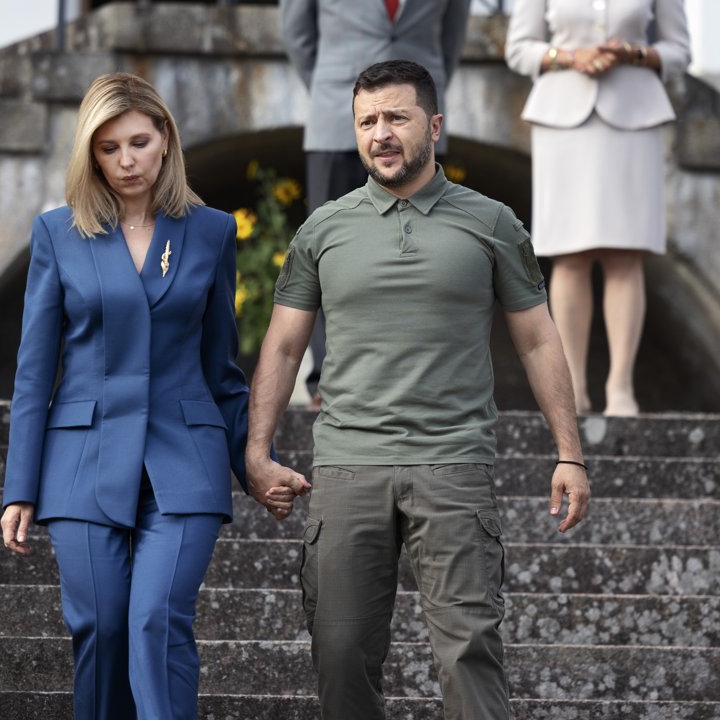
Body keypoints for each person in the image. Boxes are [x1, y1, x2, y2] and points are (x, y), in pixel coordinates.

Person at [244, 60, 591, 720]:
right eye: (367, 121)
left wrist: (569, 453)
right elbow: (284, 345)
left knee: (468, 655)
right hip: (348, 465)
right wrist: (257, 451)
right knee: (340, 651)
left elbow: (540, 340)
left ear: (434, 125)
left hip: (454, 465)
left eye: (396, 118)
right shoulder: (324, 228)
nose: (381, 133)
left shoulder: (491, 223)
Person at [0, 72, 281, 720]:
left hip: (184, 457)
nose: (126, 161)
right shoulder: (56, 235)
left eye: (139, 142)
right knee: (101, 627)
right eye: (108, 148)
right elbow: (34, 373)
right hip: (81, 459)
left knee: (155, 622)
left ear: (165, 142)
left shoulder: (210, 231)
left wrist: (252, 462)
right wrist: (20, 487)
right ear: (89, 154)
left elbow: (222, 368)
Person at [280, 0, 471, 407]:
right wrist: (341, 95)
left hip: (417, 125)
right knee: (327, 252)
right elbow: (298, 35)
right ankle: (325, 381)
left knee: (424, 248)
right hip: (337, 113)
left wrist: (421, 104)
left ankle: (413, 378)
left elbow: (452, 39)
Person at [506, 0, 691, 416]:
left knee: (627, 254)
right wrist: (569, 56)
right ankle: (574, 387)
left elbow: (680, 51)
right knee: (570, 255)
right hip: (561, 122)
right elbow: (519, 49)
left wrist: (634, 54)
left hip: (635, 117)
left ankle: (621, 387)